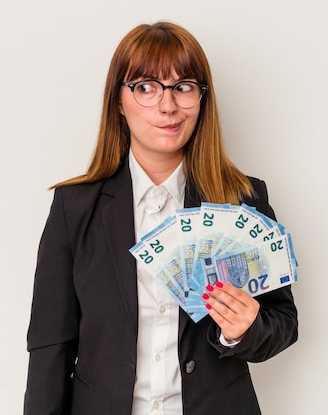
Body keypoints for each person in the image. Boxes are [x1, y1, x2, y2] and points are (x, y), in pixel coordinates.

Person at [24, 21, 298, 415]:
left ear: (202, 99)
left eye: (183, 87)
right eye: (146, 87)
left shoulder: (243, 200)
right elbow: (51, 343)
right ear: (119, 101)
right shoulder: (75, 206)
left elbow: (284, 322)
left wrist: (244, 331)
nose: (167, 106)